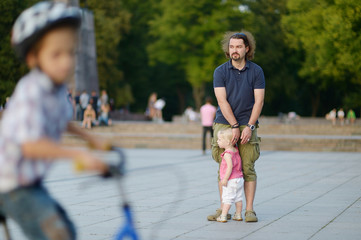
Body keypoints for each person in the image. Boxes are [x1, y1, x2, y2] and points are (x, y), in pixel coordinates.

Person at [0, 2, 109, 240]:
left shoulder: (57, 89)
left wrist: (90, 138)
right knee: (56, 236)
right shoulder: (32, 91)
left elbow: (62, 121)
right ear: (32, 58)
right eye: (56, 54)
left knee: (66, 230)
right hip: (12, 185)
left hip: (29, 182)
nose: (66, 62)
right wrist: (78, 154)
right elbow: (31, 144)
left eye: (70, 52)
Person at [208, 31, 265, 223]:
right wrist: (233, 126)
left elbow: (259, 101)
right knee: (224, 167)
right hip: (224, 122)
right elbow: (222, 101)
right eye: (231, 46)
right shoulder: (220, 72)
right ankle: (224, 208)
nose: (234, 50)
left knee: (247, 167)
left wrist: (248, 126)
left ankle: (249, 210)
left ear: (247, 49)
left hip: (247, 122)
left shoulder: (256, 71)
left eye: (239, 46)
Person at [216, 128, 244, 223]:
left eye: (219, 139)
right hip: (239, 179)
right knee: (238, 198)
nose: (217, 141)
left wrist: (225, 179)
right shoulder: (236, 150)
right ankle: (238, 214)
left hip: (231, 180)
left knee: (227, 198)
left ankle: (223, 216)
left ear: (227, 142)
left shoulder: (227, 154)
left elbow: (230, 167)